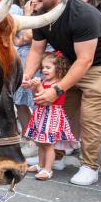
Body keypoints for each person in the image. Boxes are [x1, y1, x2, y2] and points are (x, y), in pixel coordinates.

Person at [23, 0, 101, 186]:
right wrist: (27, 75)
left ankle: (90, 167)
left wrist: (57, 89)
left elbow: (85, 60)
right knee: (62, 110)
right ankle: (58, 157)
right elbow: (36, 50)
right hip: (77, 62)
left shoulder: (83, 15)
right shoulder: (42, 13)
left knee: (90, 116)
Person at [25, 52, 77, 180]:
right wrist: (33, 87)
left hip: (51, 116)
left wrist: (39, 86)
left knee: (48, 144)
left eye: (48, 67)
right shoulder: (44, 81)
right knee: (40, 143)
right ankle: (40, 165)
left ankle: (48, 169)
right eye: (43, 67)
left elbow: (47, 97)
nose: (44, 70)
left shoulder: (57, 84)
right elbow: (37, 98)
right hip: (41, 114)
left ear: (58, 68)